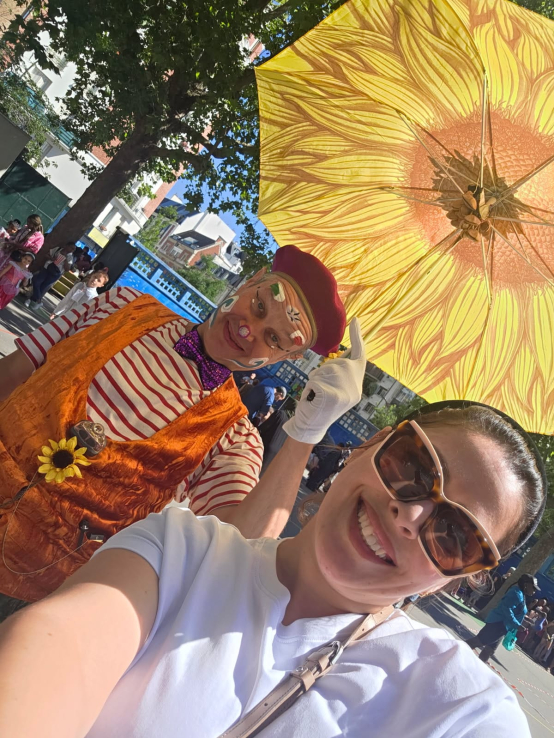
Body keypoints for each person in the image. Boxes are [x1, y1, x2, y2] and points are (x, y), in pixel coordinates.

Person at [0, 401, 545, 737]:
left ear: (454, 579)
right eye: (416, 467)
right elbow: (57, 647)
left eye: (455, 536)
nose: (412, 515)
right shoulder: (182, 551)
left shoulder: (461, 705)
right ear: (372, 443)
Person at [0, 244, 363, 619]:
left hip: (31, 593)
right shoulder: (122, 305)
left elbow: (239, 547)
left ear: (288, 358)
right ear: (250, 281)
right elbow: (12, 373)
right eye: (258, 306)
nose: (248, 329)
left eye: (274, 339)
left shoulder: (235, 437)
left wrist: (307, 431)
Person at [466, 574, 539, 662]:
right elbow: (507, 610)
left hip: (503, 626)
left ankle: (478, 666)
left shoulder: (521, 594)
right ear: (526, 584)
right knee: (478, 642)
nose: (534, 591)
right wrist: (517, 624)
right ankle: (454, 650)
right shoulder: (516, 593)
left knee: (490, 650)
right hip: (497, 624)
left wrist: (525, 619)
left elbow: (516, 611)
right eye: (533, 588)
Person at [24, 242, 76, 310]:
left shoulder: (70, 257)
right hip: (47, 267)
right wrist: (51, 258)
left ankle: (30, 299)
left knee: (43, 287)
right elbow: (47, 255)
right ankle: (39, 302)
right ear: (66, 245)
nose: (72, 250)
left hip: (55, 273)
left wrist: (65, 259)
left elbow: (67, 269)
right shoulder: (58, 249)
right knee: (36, 281)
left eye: (73, 249)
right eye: (71, 248)